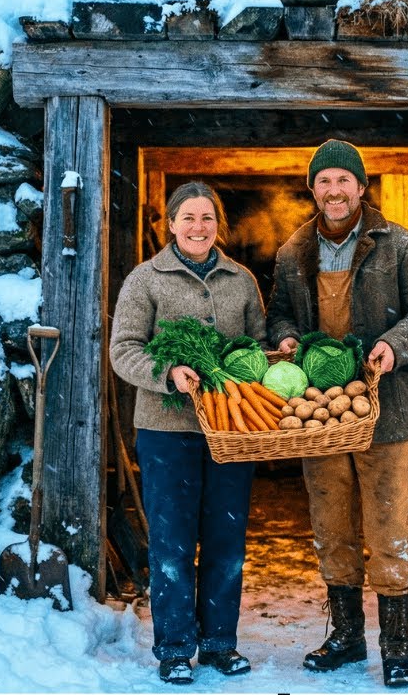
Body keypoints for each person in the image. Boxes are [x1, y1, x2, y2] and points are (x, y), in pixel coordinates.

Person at [266, 139, 408, 688]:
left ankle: (396, 648)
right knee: (333, 527)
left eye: (344, 180)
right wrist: (289, 337)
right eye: (324, 181)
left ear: (362, 188)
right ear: (313, 189)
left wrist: (395, 344)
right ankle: (346, 636)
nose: (334, 190)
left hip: (385, 409)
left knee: (389, 528)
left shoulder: (399, 245)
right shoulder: (293, 251)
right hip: (319, 414)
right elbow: (276, 317)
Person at [109, 181, 266, 685]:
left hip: (229, 431)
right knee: (173, 543)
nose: (199, 227)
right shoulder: (145, 279)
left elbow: (256, 348)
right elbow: (124, 350)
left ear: (219, 226)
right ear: (171, 224)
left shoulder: (240, 280)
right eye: (189, 218)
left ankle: (220, 643)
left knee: (226, 541)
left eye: (208, 218)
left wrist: (263, 362)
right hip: (165, 431)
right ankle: (175, 647)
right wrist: (168, 371)